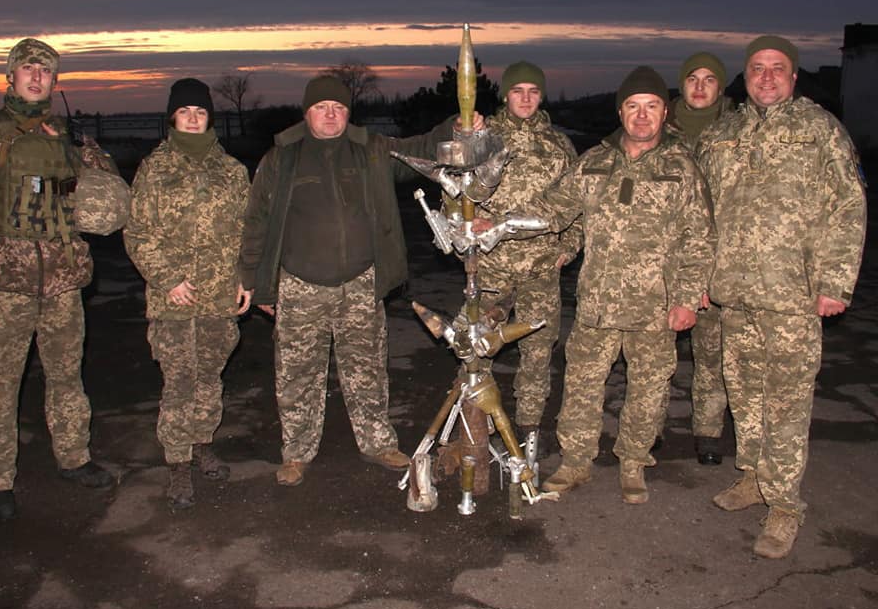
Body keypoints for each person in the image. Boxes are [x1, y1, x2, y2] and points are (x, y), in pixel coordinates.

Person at [238, 75, 482, 486]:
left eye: (338, 108)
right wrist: (253, 279)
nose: (330, 115)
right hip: (300, 285)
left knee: (367, 369)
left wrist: (455, 128)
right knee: (297, 376)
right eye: (321, 108)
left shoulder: (371, 150)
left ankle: (378, 443)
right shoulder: (282, 158)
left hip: (360, 284)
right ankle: (296, 454)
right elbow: (257, 221)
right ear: (307, 112)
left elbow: (422, 150)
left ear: (348, 113)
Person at [0, 38, 125, 521]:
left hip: (63, 278)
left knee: (67, 376)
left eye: (45, 71)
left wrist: (81, 182)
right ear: (10, 76)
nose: (36, 77)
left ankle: (74, 458)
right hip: (4, 281)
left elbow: (108, 195)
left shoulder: (69, 134)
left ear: (55, 80)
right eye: (28, 68)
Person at [697, 36, 866, 558]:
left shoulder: (819, 130)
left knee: (787, 403)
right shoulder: (722, 135)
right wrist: (699, 278)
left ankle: (785, 507)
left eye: (777, 68)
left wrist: (836, 282)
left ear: (793, 77)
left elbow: (848, 206)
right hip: (734, 292)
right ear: (745, 76)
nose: (766, 77)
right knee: (744, 393)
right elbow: (701, 215)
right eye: (757, 68)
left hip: (793, 293)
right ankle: (753, 477)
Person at [534, 66, 715, 504]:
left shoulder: (681, 167)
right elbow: (551, 209)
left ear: (665, 112)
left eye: (651, 106)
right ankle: (575, 462)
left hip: (656, 305)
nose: (642, 115)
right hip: (597, 303)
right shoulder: (593, 162)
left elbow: (700, 238)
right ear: (621, 111)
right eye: (633, 106)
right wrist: (497, 221)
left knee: (649, 389)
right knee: (581, 384)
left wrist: (687, 299)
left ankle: (633, 462)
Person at [124, 78, 252, 509]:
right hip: (173, 299)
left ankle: (201, 444)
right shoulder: (154, 169)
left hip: (219, 296)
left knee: (209, 378)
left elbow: (246, 231)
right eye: (185, 112)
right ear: (172, 118)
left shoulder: (232, 171)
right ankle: (178, 463)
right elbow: (137, 233)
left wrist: (245, 278)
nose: (193, 119)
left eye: (200, 112)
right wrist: (167, 279)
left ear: (209, 117)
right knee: (179, 382)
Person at [469, 61, 579, 449]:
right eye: (518, 91)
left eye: (533, 91)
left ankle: (528, 430)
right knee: (479, 348)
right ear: (505, 95)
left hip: (541, 269)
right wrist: (469, 233)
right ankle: (477, 425)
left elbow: (578, 204)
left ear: (542, 96)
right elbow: (455, 196)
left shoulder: (559, 146)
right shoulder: (484, 140)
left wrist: (568, 247)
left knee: (537, 352)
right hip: (492, 267)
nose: (526, 98)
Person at [656, 52, 736, 465]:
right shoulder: (658, 126)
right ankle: (649, 427)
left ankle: (708, 431)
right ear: (681, 84)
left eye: (709, 79)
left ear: (721, 86)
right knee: (656, 355)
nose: (700, 86)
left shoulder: (739, 130)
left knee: (712, 356)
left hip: (719, 262)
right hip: (662, 264)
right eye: (692, 78)